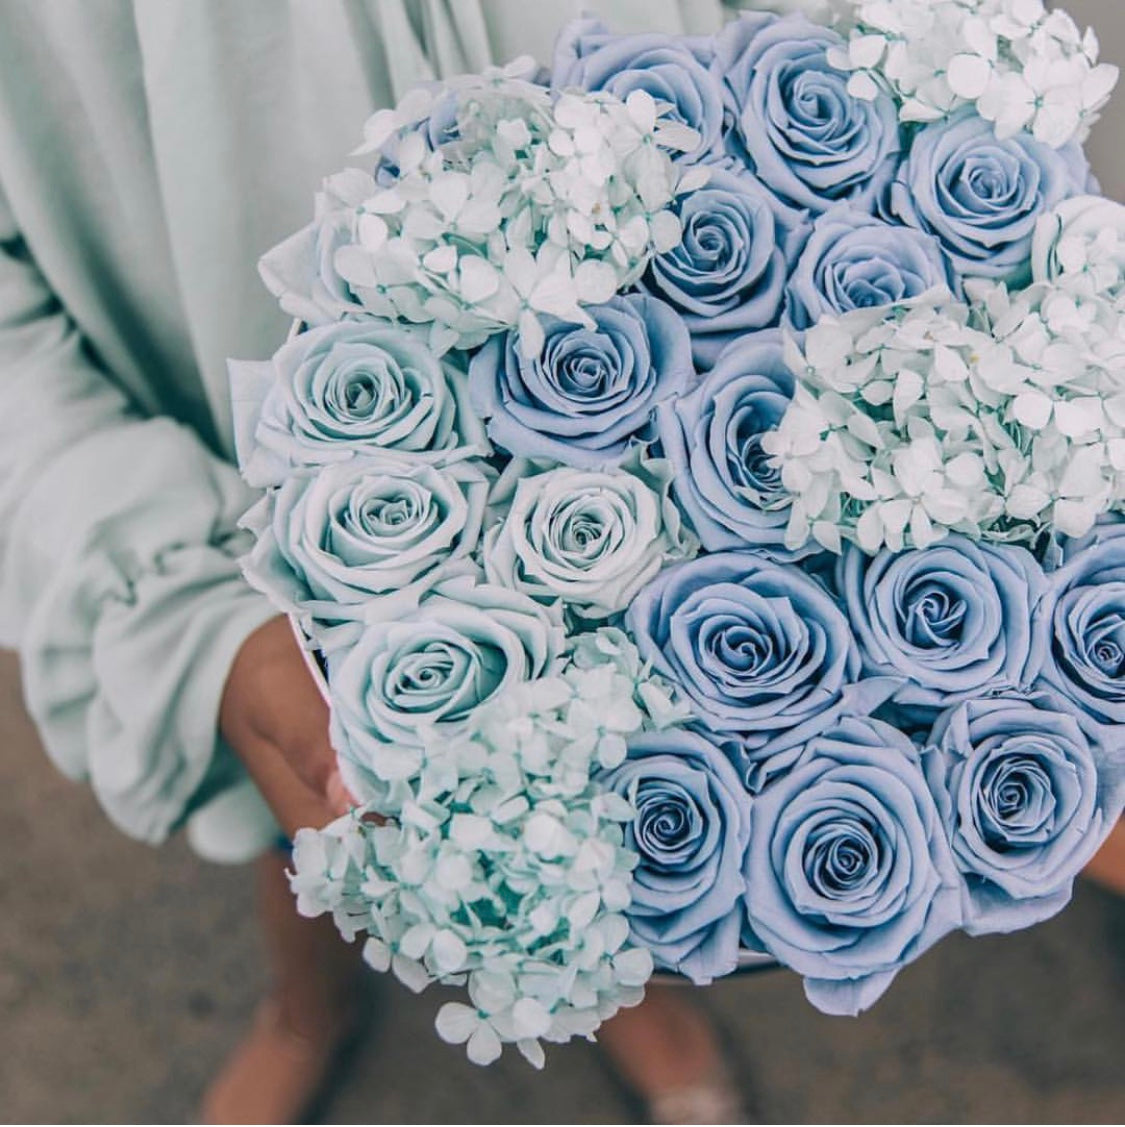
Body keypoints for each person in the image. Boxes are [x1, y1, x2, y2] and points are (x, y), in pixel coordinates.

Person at [0, 2, 750, 1122]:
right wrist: (194, 605)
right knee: (313, 800)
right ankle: (309, 1006)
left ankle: (620, 991)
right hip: (232, 422)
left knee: (629, 799)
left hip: (673, 373)